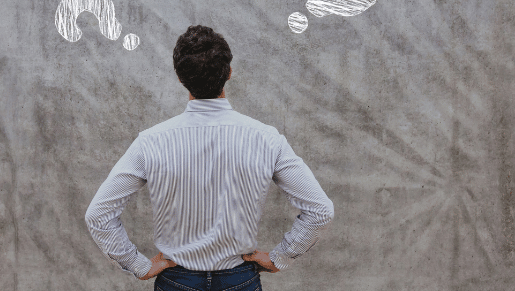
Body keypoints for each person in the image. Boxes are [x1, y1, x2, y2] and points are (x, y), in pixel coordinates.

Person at [85, 25, 334, 290]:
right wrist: (280, 257)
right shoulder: (266, 138)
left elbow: (99, 215)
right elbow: (320, 210)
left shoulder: (151, 142)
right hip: (240, 279)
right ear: (229, 73)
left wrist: (138, 264)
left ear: (180, 77)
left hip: (177, 281)